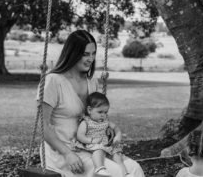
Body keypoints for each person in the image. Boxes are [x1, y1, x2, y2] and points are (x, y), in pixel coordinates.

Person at [37, 30, 145, 177]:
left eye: (93, 53)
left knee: (134, 169)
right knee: (117, 174)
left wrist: (107, 131)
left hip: (90, 147)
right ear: (72, 54)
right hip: (63, 152)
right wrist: (68, 153)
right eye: (85, 54)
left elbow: (95, 116)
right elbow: (42, 126)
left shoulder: (91, 82)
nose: (91, 59)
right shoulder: (53, 81)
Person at [75, 92, 129, 177]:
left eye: (105, 112)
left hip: (106, 144)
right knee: (99, 151)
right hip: (93, 144)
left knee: (117, 154)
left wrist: (118, 135)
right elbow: (80, 136)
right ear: (89, 110)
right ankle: (99, 168)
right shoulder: (86, 122)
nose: (103, 115)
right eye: (100, 112)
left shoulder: (105, 120)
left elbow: (116, 128)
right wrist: (92, 140)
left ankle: (125, 173)